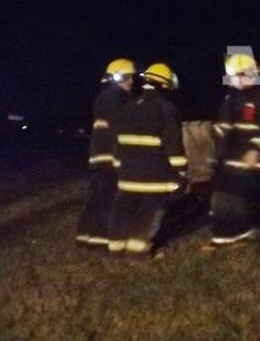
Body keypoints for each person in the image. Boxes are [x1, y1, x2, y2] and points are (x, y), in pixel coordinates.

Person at [108, 63, 188, 257]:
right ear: (166, 84)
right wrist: (181, 170)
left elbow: (118, 142)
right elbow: (173, 144)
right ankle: (139, 251)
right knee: (151, 212)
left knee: (124, 210)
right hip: (155, 175)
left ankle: (117, 248)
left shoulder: (128, 107)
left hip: (127, 175)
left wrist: (119, 166)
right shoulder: (166, 108)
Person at [210, 54, 260, 246]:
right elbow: (224, 126)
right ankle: (226, 235)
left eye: (242, 74)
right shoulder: (231, 99)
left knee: (235, 197)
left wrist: (255, 149)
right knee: (224, 196)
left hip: (252, 159)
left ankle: (238, 233)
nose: (238, 79)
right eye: (234, 75)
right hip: (232, 158)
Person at [75, 58, 136, 247]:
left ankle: (85, 237)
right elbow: (120, 127)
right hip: (109, 156)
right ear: (117, 78)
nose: (131, 82)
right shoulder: (114, 97)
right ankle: (101, 240)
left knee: (95, 198)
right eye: (128, 78)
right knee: (107, 198)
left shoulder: (106, 97)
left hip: (100, 156)